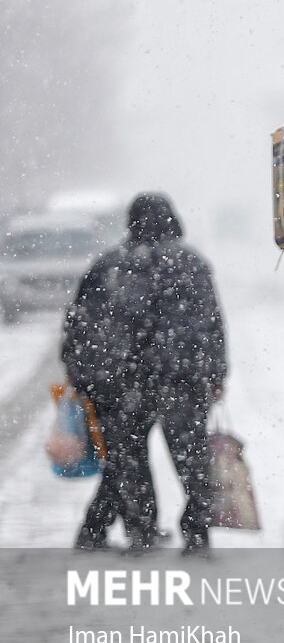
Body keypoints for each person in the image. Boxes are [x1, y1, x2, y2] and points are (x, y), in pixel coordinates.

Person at [63, 192, 228, 558]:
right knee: (191, 460)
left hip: (122, 383)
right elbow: (211, 325)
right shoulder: (191, 264)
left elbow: (80, 324)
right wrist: (215, 372)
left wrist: (81, 373)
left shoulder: (109, 265)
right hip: (182, 380)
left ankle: (141, 532)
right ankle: (197, 535)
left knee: (127, 459)